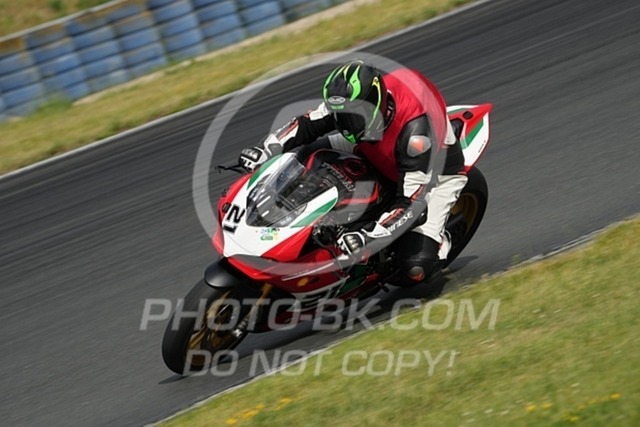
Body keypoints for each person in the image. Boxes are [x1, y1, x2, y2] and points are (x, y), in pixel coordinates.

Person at [238, 60, 468, 291]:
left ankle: (441, 241)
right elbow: (306, 123)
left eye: (353, 116)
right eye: (342, 115)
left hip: (433, 173)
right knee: (305, 154)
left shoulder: (416, 136)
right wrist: (265, 149)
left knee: (415, 269)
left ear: (375, 104)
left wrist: (367, 236)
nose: (345, 122)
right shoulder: (350, 103)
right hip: (371, 143)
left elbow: (412, 204)